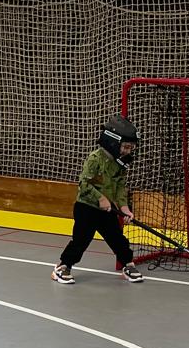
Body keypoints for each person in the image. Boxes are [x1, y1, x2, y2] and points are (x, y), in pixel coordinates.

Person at [52, 115, 146, 285]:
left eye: (131, 148)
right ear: (113, 142)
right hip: (86, 207)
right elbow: (84, 184)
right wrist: (101, 198)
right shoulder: (95, 159)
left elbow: (120, 187)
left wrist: (124, 207)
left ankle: (128, 264)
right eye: (126, 147)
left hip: (107, 210)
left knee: (117, 239)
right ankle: (63, 267)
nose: (128, 151)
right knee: (81, 240)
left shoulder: (120, 163)